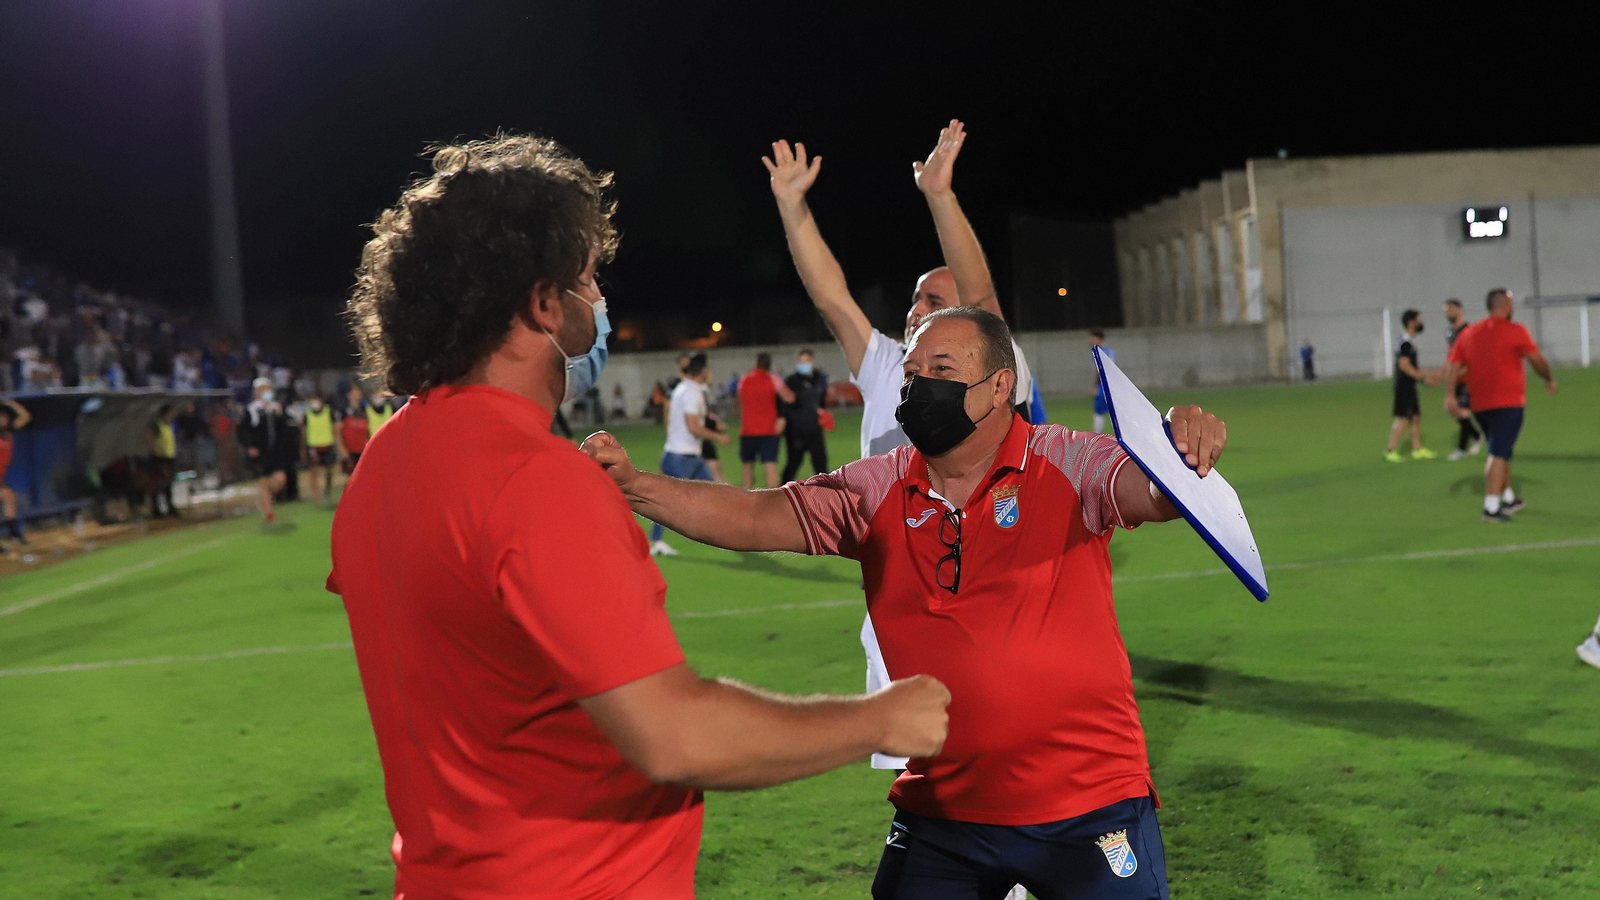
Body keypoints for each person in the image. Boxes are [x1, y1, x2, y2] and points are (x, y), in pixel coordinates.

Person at [332, 133, 950, 900]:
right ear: (541, 301)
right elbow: (676, 735)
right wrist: (882, 719)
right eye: (588, 276)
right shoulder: (536, 477)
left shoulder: (385, 462)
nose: (599, 296)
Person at [584, 306, 1230, 899]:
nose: (920, 386)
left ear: (1000, 386)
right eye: (914, 372)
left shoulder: (1064, 460)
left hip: (1088, 805)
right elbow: (756, 516)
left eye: (942, 371)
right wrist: (635, 487)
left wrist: (1174, 450)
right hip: (943, 813)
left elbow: (1150, 492)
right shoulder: (878, 486)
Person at [766, 120, 1039, 776]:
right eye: (917, 296)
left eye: (934, 298)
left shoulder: (997, 363)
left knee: (996, 779)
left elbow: (981, 299)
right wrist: (792, 205)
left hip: (985, 603)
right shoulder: (889, 365)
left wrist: (940, 196)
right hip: (898, 604)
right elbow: (832, 298)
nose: (918, 305)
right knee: (921, 790)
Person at [1445, 288, 1557, 522]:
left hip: (1480, 405)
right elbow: (1536, 360)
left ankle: (1507, 497)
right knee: (1498, 452)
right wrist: (1548, 379)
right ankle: (1491, 507)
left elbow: (1455, 365)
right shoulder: (1515, 330)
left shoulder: (1469, 333)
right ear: (1506, 306)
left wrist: (1450, 397)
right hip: (1508, 402)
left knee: (1500, 449)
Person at [650, 352, 728, 555]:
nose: (710, 373)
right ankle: (654, 542)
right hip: (680, 458)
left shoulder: (684, 388)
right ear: (703, 372)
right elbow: (693, 427)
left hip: (688, 456)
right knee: (668, 503)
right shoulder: (691, 392)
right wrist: (718, 436)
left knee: (713, 494)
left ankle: (724, 534)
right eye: (709, 369)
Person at [1384, 309, 1439, 462]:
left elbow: (1414, 366)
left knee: (1415, 417)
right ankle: (1390, 450)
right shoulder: (1405, 343)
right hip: (1404, 387)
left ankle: (1417, 449)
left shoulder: (1409, 342)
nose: (1420, 322)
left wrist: (1427, 377)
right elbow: (1405, 366)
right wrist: (1424, 377)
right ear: (1411, 322)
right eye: (1418, 319)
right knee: (1403, 418)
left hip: (1410, 386)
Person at [238, 377, 294, 523]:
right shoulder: (252, 409)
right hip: (260, 453)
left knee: (280, 480)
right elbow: (243, 431)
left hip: (276, 452)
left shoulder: (276, 408)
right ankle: (269, 511)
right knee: (263, 480)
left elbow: (284, 428)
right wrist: (250, 445)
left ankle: (266, 500)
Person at [737, 351, 796, 490]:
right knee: (770, 468)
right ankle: (773, 503)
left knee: (747, 466)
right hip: (769, 430)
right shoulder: (773, 379)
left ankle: (746, 497)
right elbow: (790, 398)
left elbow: (740, 402)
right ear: (770, 365)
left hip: (748, 430)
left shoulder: (744, 380)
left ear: (755, 363)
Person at [1442, 298, 1484, 461]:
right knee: (1455, 411)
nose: (1447, 313)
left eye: (1450, 309)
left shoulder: (1469, 330)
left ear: (1460, 309)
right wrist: (1442, 372)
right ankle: (1477, 435)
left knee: (1462, 411)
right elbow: (1451, 356)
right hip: (1456, 379)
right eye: (1445, 310)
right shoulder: (1449, 332)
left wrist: (1464, 371)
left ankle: (1461, 449)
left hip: (1468, 378)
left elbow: (1475, 356)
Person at [781, 348, 829, 483]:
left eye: (807, 361)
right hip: (796, 430)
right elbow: (784, 403)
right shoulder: (792, 381)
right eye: (801, 362)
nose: (804, 364)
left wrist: (822, 412)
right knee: (793, 463)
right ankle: (780, 491)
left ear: (813, 361)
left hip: (814, 428)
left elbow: (820, 401)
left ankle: (826, 493)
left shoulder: (819, 379)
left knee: (821, 464)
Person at [0, 398, 32, 549]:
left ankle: (14, 534)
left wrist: (11, 404)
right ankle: (12, 535)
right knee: (7, 496)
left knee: (9, 497)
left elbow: (25, 417)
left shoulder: (8, 431)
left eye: (4, 417)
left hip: (1, 474)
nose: (2, 420)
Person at [303, 392, 341, 502]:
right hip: (314, 446)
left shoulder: (329, 412)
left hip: (327, 445)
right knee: (314, 471)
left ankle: (327, 492)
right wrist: (304, 447)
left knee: (329, 471)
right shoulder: (307, 414)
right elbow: (304, 432)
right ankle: (316, 496)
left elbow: (335, 428)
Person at [147, 403, 179, 518]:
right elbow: (148, 438)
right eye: (170, 413)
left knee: (168, 484)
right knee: (158, 485)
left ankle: (169, 506)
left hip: (169, 458)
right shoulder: (157, 425)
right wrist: (153, 451)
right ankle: (156, 509)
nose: (172, 415)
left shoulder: (170, 425)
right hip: (159, 459)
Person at [340, 385, 371, 473]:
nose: (356, 395)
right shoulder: (344, 411)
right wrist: (343, 451)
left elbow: (368, 430)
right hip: (349, 450)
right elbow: (338, 432)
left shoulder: (365, 411)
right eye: (353, 393)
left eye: (357, 393)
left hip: (363, 449)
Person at [1089, 330, 1115, 433]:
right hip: (1111, 385)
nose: (1090, 340)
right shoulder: (1110, 351)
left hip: (1105, 386)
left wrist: (1096, 387)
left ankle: (1097, 438)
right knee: (1113, 412)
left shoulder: (1099, 352)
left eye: (1092, 338)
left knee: (1099, 412)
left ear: (1098, 339)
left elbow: (1101, 371)